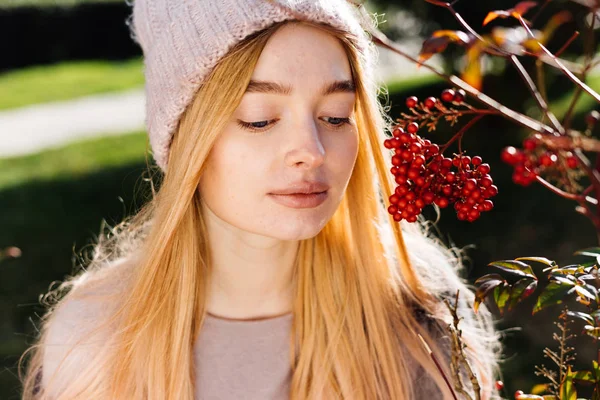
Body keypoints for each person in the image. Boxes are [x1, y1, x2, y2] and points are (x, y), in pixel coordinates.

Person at [19, 0, 503, 398]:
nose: (311, 153)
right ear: (186, 138)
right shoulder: (93, 339)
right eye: (258, 118)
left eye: (336, 115)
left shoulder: (417, 317)